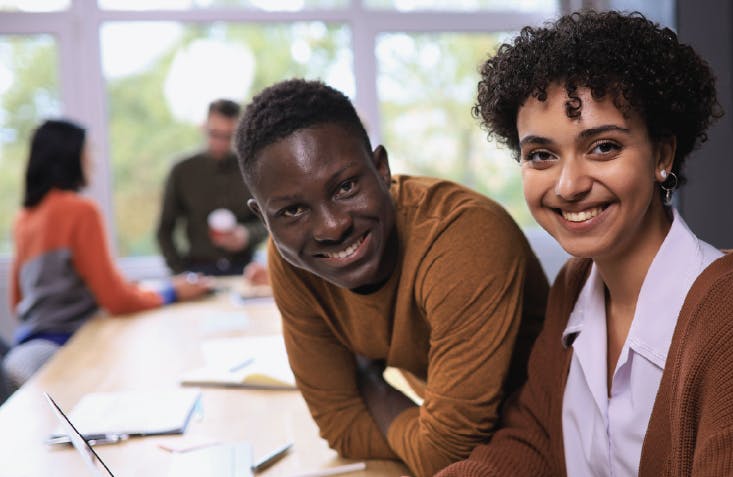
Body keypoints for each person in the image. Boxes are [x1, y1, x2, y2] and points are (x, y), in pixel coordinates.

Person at [438, 10, 733, 476]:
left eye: (603, 147)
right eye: (541, 155)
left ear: (662, 155)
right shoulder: (576, 284)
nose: (568, 185)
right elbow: (532, 442)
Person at [233, 79, 549, 477]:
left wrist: (372, 385)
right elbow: (340, 429)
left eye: (346, 187)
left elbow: (446, 452)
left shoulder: (463, 237)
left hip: (548, 436)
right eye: (293, 211)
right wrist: (423, 434)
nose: (331, 227)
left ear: (381, 170)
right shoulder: (293, 262)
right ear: (264, 220)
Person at [3, 119, 212, 396]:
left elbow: (17, 300)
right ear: (70, 157)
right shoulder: (80, 211)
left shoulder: (24, 219)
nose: (93, 162)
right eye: (87, 152)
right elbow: (114, 299)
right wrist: (172, 292)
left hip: (28, 346)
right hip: (68, 346)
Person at [157, 99, 266, 276]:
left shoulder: (251, 168)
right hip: (198, 270)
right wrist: (180, 272)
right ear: (203, 127)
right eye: (215, 134)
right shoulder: (182, 170)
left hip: (245, 270)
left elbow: (269, 222)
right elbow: (165, 229)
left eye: (229, 136)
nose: (221, 143)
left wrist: (246, 235)